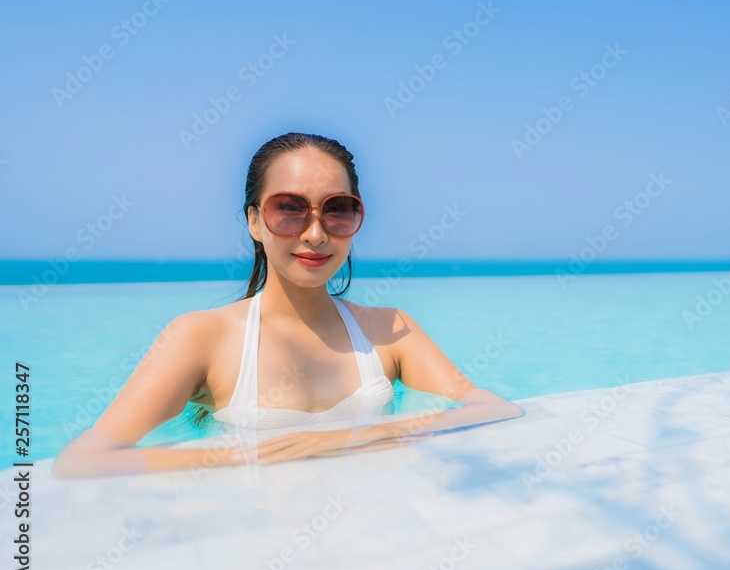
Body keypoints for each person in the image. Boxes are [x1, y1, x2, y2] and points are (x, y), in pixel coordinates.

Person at [52, 132, 524, 479]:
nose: (315, 233)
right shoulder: (202, 337)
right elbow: (83, 460)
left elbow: (493, 408)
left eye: (337, 209)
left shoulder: (389, 328)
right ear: (255, 222)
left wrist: (342, 439)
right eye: (289, 208)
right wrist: (259, 453)